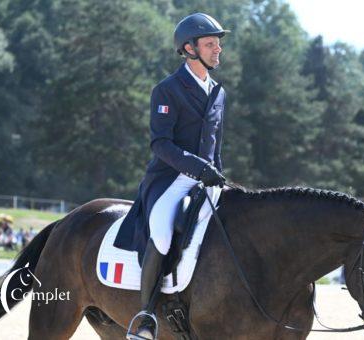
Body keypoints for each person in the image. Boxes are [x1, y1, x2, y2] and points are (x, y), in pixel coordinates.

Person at [125, 13, 229, 340]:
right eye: (210, 44)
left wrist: (219, 177)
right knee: (163, 232)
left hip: (209, 179)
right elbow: (161, 144)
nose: (218, 50)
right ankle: (145, 315)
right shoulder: (167, 90)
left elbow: (216, 145)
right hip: (170, 180)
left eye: (218, 44)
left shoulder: (218, 92)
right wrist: (199, 169)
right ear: (189, 48)